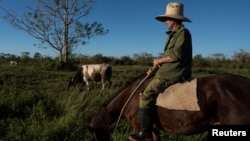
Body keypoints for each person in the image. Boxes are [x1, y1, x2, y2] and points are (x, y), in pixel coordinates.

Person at [129, 2, 193, 141]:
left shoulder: (182, 33)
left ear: (175, 20)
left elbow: (176, 55)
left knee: (146, 95)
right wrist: (156, 66)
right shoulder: (173, 34)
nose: (165, 22)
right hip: (167, 70)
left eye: (167, 19)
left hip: (174, 73)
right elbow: (170, 57)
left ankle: (145, 133)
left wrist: (158, 61)